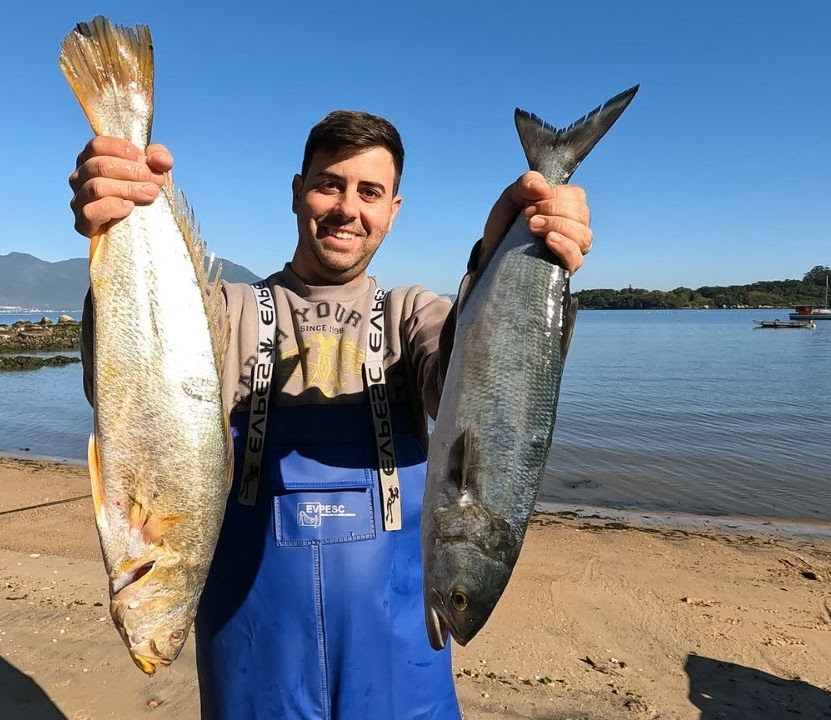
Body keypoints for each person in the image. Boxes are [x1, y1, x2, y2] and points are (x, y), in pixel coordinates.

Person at [70, 111, 593, 720]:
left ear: (393, 209)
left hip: (401, 675)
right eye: (330, 184)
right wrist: (116, 226)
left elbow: (468, 383)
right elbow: (128, 385)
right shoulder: (221, 311)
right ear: (297, 192)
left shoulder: (411, 315)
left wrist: (505, 254)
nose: (348, 207)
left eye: (369, 192)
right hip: (251, 664)